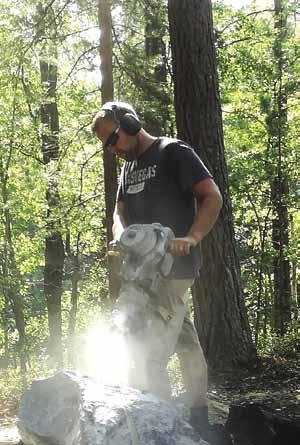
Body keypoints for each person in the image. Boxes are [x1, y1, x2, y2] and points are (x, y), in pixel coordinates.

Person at [91, 101, 223, 436]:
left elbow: (212, 196)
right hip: (142, 274)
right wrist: (121, 236)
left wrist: (191, 236)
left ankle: (160, 428)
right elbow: (119, 212)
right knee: (186, 342)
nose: (112, 149)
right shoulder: (129, 167)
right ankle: (199, 416)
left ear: (131, 124)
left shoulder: (172, 152)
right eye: (106, 145)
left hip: (173, 267)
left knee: (150, 352)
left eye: (112, 139)